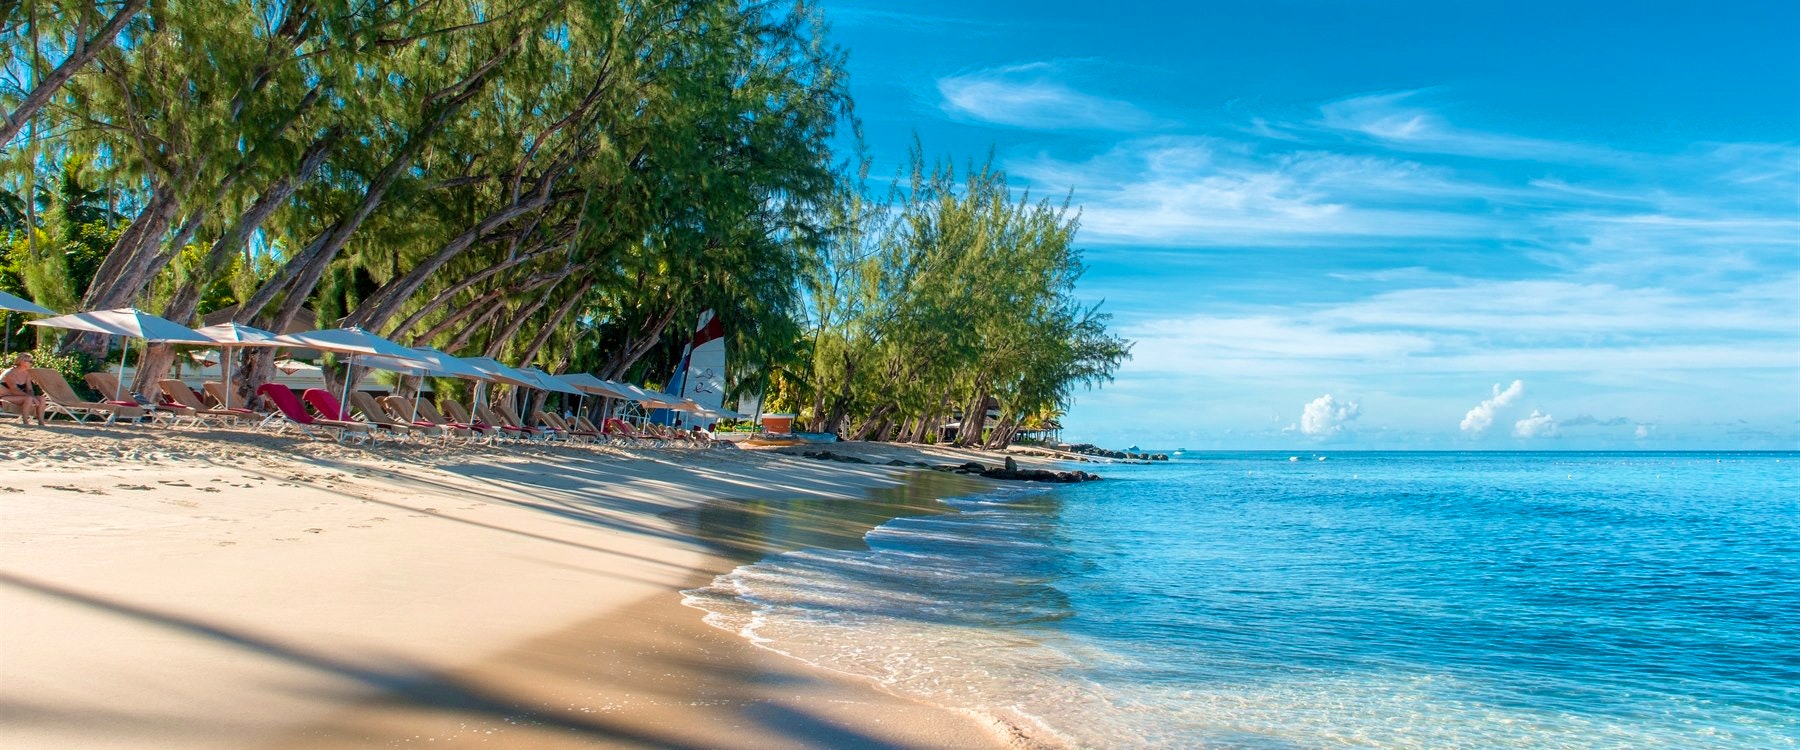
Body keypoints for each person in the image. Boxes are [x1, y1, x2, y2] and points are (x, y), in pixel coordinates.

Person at [1, 352, 49, 426]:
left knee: (42, 399)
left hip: (18, 396)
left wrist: (33, 397)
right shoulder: (10, 373)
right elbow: (15, 390)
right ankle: (25, 421)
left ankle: (41, 422)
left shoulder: (26, 373)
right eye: (30, 361)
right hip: (4, 396)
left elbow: (29, 389)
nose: (31, 363)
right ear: (22, 362)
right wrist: (32, 398)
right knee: (28, 398)